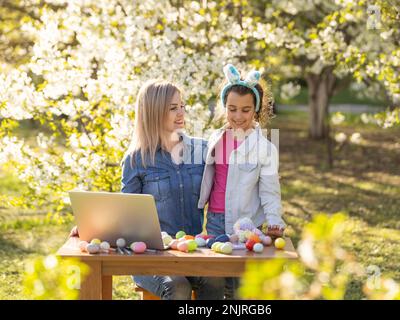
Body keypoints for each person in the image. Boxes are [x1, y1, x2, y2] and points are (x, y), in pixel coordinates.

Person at [71, 79, 225, 300]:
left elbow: (225, 191)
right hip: (150, 256)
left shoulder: (202, 150)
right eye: (173, 108)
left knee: (215, 279)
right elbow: (126, 213)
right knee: (177, 286)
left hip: (192, 251)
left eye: (182, 105)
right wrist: (93, 227)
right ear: (154, 112)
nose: (181, 112)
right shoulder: (136, 159)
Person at [198, 64, 286, 299]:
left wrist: (275, 221)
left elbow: (269, 192)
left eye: (245, 110)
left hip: (247, 225)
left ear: (255, 110)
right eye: (232, 108)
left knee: (240, 289)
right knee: (213, 283)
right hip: (216, 221)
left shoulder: (265, 149)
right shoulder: (215, 138)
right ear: (224, 107)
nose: (238, 116)